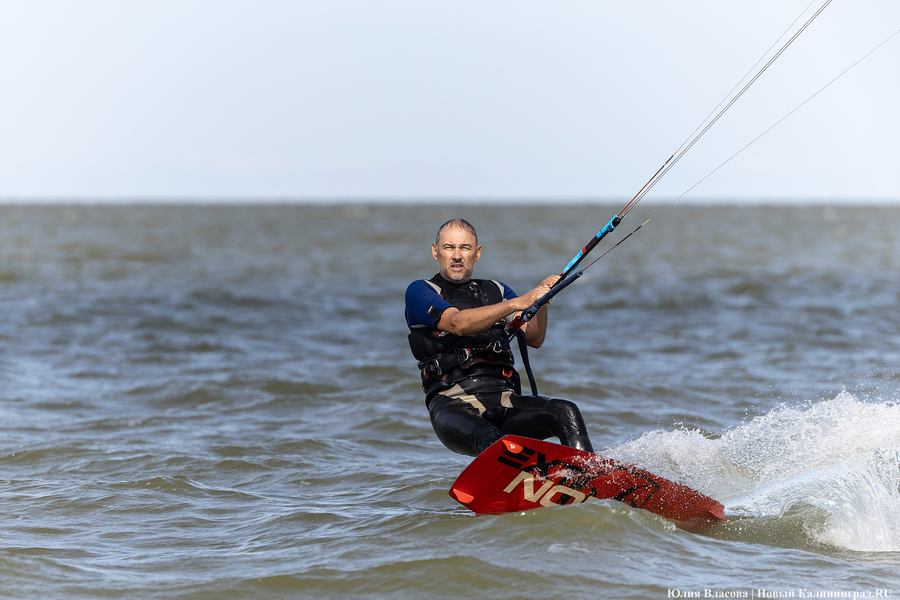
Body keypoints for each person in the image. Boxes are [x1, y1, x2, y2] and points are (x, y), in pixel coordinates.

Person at [405, 218, 594, 457]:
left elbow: (534, 338)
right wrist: (517, 303)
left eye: (465, 248)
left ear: (477, 253)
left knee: (565, 411)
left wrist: (542, 299)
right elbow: (457, 323)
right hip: (453, 404)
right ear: (435, 251)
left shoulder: (497, 291)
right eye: (449, 247)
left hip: (504, 399)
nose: (457, 256)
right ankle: (521, 476)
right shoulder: (421, 291)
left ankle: (589, 471)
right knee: (493, 439)